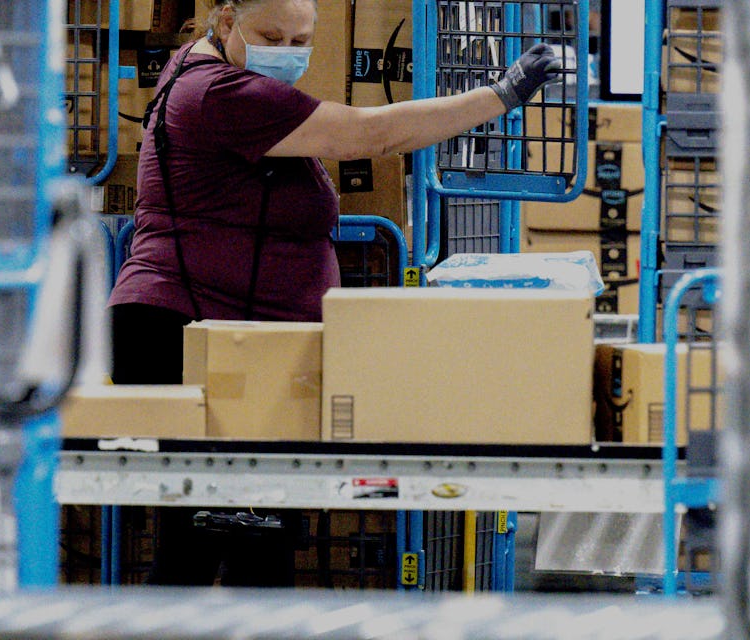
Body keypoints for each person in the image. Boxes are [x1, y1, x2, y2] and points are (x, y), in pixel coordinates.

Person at [105, 0, 564, 587]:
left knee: (246, 540)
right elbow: (374, 133)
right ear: (225, 22)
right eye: (273, 36)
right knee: (220, 540)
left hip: (221, 335)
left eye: (302, 41)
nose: (289, 54)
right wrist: (499, 96)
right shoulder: (220, 92)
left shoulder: (204, 74)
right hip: (192, 334)